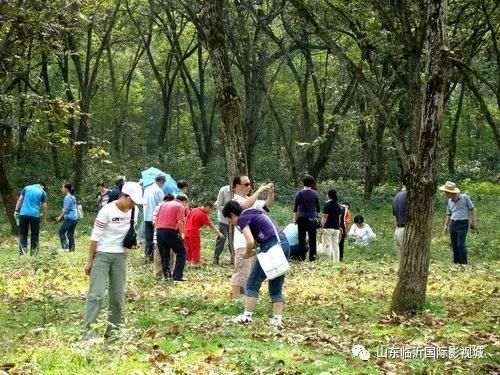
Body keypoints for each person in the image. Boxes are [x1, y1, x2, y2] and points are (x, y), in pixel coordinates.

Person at [83, 182, 144, 338]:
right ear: (124, 196)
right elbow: (94, 237)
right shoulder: (106, 211)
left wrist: (133, 243)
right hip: (102, 254)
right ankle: (90, 334)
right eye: (131, 201)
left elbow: (131, 231)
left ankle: (113, 332)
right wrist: (89, 261)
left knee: (117, 296)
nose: (133, 205)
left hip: (120, 255)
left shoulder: (134, 211)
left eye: (136, 203)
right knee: (96, 295)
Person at [223, 201, 290, 327]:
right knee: (276, 283)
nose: (231, 223)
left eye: (229, 220)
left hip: (272, 247)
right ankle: (277, 319)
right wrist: (252, 253)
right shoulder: (255, 213)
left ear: (232, 215)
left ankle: (247, 316)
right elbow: (264, 242)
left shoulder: (242, 218)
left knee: (253, 281)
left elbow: (250, 241)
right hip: (283, 245)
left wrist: (248, 253)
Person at [230, 176, 274, 300]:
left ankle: (247, 296)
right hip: (242, 242)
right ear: (237, 186)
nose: (249, 186)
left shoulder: (251, 199)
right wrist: (259, 191)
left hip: (254, 242)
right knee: (241, 270)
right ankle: (236, 298)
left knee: (251, 271)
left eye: (250, 184)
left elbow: (267, 205)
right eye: (246, 184)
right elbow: (242, 207)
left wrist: (270, 193)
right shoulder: (235, 200)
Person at [439, 181, 477, 265]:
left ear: (451, 192)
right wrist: (446, 226)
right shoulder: (449, 201)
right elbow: (448, 214)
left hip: (463, 223)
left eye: (446, 192)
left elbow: (472, 208)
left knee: (460, 244)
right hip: (453, 223)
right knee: (454, 245)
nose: (445, 194)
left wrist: (473, 221)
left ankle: (463, 263)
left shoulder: (464, 197)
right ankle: (456, 263)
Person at [155, 194, 188, 281]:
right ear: (183, 201)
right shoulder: (180, 206)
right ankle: (177, 276)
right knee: (182, 252)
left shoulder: (164, 204)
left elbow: (156, 218)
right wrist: (181, 235)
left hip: (159, 231)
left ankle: (167, 277)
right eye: (186, 203)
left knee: (165, 255)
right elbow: (180, 222)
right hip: (170, 231)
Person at [15, 181, 48, 256]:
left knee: (23, 233)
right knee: (35, 234)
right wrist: (44, 218)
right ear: (42, 186)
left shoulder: (26, 188)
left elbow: (20, 199)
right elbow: (45, 206)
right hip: (34, 215)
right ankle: (34, 254)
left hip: (23, 214)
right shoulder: (42, 192)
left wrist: (16, 210)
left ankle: (22, 253)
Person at [293, 174, 320, 261]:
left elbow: (295, 208)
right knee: (312, 240)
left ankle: (301, 258)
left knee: (301, 239)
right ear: (312, 183)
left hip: (301, 219)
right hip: (312, 218)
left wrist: (295, 219)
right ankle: (312, 258)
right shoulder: (315, 194)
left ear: (303, 183)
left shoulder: (299, 193)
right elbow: (318, 208)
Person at [143, 174, 165, 261]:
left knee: (148, 238)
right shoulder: (159, 191)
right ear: (161, 181)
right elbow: (162, 205)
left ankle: (148, 256)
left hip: (146, 216)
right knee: (156, 238)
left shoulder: (147, 189)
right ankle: (154, 257)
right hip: (155, 217)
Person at [152, 194, 175, 278]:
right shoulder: (167, 207)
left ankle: (158, 274)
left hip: (158, 235)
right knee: (170, 255)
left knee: (159, 254)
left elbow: (154, 222)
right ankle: (169, 273)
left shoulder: (158, 207)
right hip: (168, 234)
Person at [213, 184, 233, 265]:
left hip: (235, 220)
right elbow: (218, 204)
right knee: (222, 238)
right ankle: (216, 257)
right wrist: (227, 214)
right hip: (223, 219)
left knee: (233, 239)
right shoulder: (224, 190)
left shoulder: (239, 189)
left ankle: (233, 258)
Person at [321, 190, 342, 262]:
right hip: (336, 228)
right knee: (335, 245)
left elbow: (325, 217)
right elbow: (339, 218)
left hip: (328, 227)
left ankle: (327, 261)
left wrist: (322, 226)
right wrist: (338, 226)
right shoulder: (338, 206)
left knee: (327, 244)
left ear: (328, 195)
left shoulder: (327, 205)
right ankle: (336, 261)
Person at [56, 183, 78, 252]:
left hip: (70, 218)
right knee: (70, 234)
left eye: (62, 188)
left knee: (61, 232)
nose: (61, 190)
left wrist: (60, 217)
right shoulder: (73, 197)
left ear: (66, 189)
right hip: (75, 218)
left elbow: (66, 210)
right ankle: (72, 249)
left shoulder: (67, 197)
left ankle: (65, 248)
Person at [392, 178, 408, 265]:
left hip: (398, 230)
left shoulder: (396, 196)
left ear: (402, 183)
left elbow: (394, 216)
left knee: (400, 260)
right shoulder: (408, 196)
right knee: (407, 258)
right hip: (405, 229)